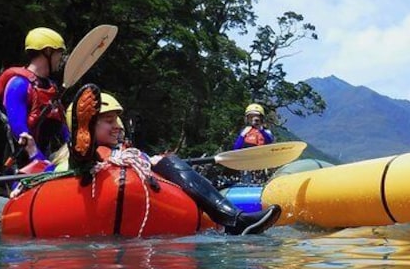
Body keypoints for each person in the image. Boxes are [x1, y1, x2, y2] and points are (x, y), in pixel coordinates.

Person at [68, 84, 282, 235]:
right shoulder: (81, 160)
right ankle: (234, 220)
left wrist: (156, 160)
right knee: (101, 160)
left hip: (129, 187)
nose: (116, 125)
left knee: (165, 159)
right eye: (108, 120)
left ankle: (232, 217)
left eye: (116, 120)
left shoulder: (126, 154)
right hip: (89, 176)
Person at [0, 27, 69, 171]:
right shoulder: (19, 84)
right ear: (48, 51)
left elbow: (62, 128)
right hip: (22, 164)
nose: (61, 58)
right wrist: (40, 161)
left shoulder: (51, 87)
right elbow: (20, 132)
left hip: (45, 158)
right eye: (59, 53)